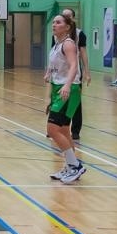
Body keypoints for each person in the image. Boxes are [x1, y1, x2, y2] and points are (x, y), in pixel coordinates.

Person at [43, 15, 86, 184]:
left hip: (68, 88)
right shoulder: (56, 44)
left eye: (58, 22)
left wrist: (67, 85)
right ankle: (70, 166)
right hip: (57, 87)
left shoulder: (68, 44)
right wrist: (48, 72)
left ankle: (75, 165)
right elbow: (56, 64)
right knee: (64, 130)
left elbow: (74, 65)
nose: (54, 24)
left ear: (68, 27)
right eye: (53, 22)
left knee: (53, 129)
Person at [61, 7, 90, 141]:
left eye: (68, 15)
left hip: (74, 73)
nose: (65, 17)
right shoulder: (56, 34)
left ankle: (76, 130)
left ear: (72, 18)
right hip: (59, 73)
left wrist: (86, 71)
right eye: (63, 15)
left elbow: (83, 52)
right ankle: (57, 127)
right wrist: (49, 71)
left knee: (75, 102)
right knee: (58, 101)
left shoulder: (79, 34)